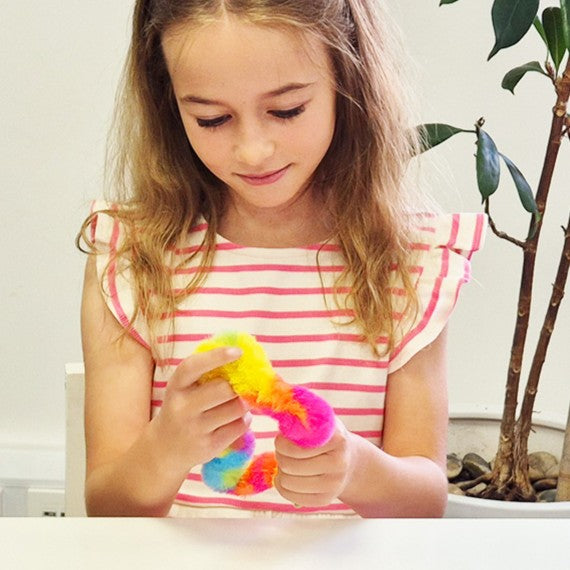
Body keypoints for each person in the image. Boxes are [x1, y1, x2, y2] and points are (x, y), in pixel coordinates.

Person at [77, 0, 486, 518]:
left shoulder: (407, 264)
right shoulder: (133, 258)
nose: (253, 150)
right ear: (169, 103)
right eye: (211, 118)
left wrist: (354, 468)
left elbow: (424, 503)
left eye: (287, 110)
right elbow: (107, 507)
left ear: (348, 81)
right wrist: (166, 448)